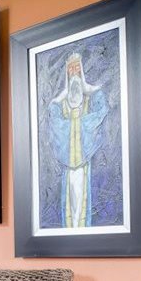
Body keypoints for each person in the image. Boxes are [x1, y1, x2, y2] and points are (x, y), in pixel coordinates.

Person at [48, 51, 111, 228]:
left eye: (77, 67)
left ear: (81, 70)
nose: (74, 72)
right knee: (70, 198)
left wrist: (78, 123)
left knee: (83, 196)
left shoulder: (91, 98)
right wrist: (61, 97)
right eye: (70, 69)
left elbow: (101, 112)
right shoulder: (63, 103)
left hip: (85, 160)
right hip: (69, 163)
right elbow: (54, 118)